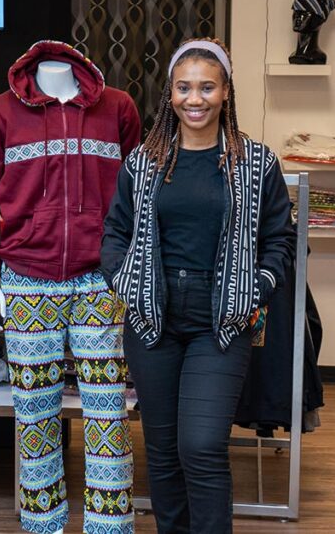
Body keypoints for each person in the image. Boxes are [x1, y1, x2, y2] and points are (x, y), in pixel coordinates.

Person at [101, 38, 295, 533]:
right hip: (153, 318)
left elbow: (280, 238)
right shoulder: (144, 162)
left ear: (226, 92)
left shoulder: (255, 163)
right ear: (170, 95)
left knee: (202, 445)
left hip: (222, 320)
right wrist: (124, 282)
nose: (195, 98)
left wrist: (258, 288)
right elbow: (115, 233)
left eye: (207, 87)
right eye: (184, 87)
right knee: (163, 452)